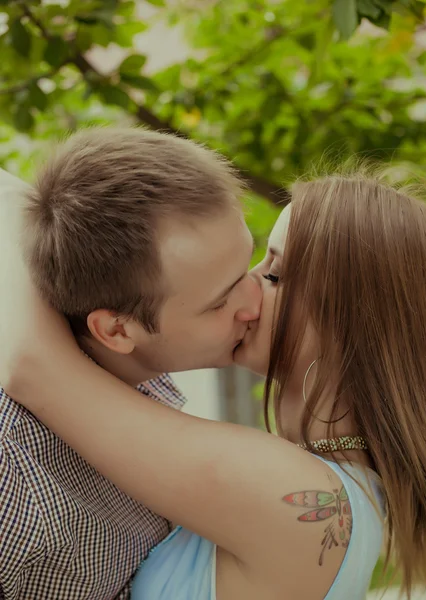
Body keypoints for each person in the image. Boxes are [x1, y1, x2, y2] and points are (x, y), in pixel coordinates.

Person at [2, 166, 426, 600]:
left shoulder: (296, 494)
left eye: (273, 274)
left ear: (349, 328)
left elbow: (33, 366)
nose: (247, 290)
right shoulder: (346, 497)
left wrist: (35, 217)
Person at [0, 127, 261, 599]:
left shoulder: (147, 378)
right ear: (117, 331)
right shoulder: (14, 477)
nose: (254, 301)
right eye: (220, 301)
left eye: (249, 265)